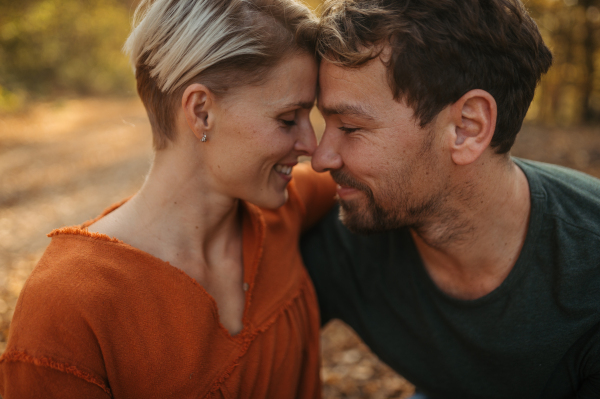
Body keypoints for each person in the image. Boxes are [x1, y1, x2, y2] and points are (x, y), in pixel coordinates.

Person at [0, 0, 337, 397]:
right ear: (201, 112)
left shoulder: (285, 210)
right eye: (288, 119)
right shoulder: (70, 304)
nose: (312, 146)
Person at [301, 0, 600, 397]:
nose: (320, 158)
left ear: (466, 128)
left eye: (351, 127)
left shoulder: (588, 276)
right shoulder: (349, 238)